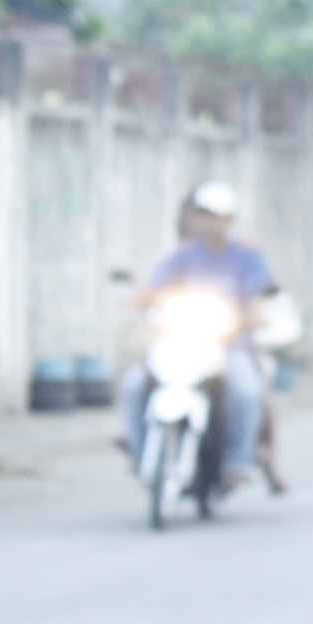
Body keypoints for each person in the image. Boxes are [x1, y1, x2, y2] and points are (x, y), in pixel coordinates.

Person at [122, 181, 275, 493]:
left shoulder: (246, 259)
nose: (211, 222)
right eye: (205, 214)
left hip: (229, 346)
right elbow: (153, 291)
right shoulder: (183, 257)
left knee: (246, 391)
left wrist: (248, 317)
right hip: (182, 344)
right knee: (133, 383)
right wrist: (140, 303)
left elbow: (256, 304)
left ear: (230, 220)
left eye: (218, 216)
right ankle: (140, 454)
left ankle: (238, 462)